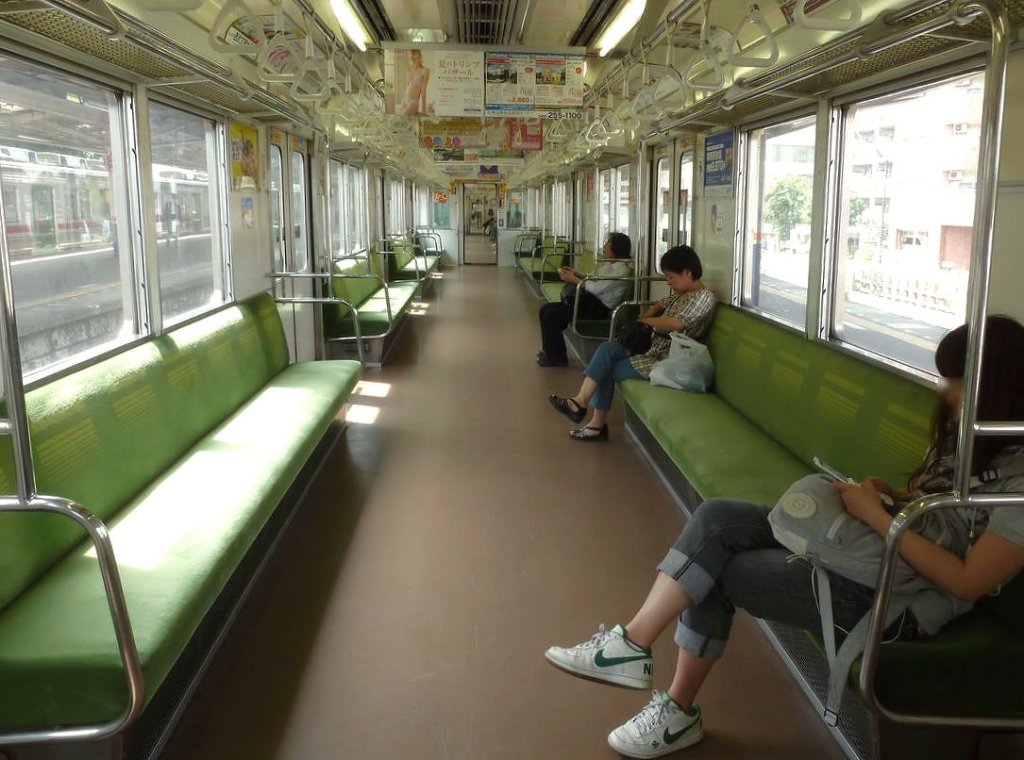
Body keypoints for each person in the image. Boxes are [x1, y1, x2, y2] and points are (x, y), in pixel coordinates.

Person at [544, 315, 1024, 758]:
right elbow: (933, 502)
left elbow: (967, 581)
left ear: (996, 388)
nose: (947, 393)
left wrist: (877, 518)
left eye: (957, 382)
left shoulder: (1018, 482)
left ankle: (676, 710)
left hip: (899, 599)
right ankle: (632, 644)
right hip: (879, 555)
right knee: (718, 518)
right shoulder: (976, 439)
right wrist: (888, 496)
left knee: (718, 573)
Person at [549, 245, 715, 441]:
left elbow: (676, 323)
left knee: (607, 369)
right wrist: (647, 316)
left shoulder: (704, 297)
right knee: (607, 349)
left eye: (671, 277)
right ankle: (580, 402)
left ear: (688, 272)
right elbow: (659, 304)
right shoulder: (681, 294)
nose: (668, 282)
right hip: (651, 346)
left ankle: (595, 423)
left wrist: (645, 321)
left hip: (667, 358)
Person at [536, 233, 633, 367]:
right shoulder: (610, 265)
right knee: (545, 309)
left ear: (617, 249)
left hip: (600, 308)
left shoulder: (622, 271)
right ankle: (550, 352)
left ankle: (557, 358)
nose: (604, 247)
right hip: (591, 302)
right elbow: (593, 277)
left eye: (608, 245)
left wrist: (574, 279)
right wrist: (577, 273)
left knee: (552, 315)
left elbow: (597, 288)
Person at [401, 49, 431, 116]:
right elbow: (408, 85)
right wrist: (403, 98)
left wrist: (424, 108)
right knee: (405, 121)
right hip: (405, 99)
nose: (416, 61)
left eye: (417, 58)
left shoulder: (424, 71)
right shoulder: (409, 70)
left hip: (413, 102)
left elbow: (423, 90)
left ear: (420, 57)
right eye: (413, 59)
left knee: (401, 118)